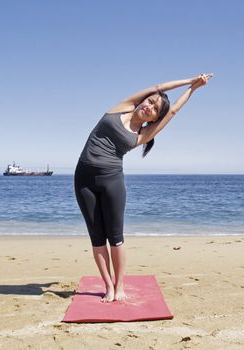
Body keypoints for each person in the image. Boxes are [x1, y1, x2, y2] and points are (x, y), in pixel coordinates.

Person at [74, 73, 212, 302]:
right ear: (143, 100)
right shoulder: (122, 107)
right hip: (83, 179)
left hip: (112, 181)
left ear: (155, 117)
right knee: (97, 238)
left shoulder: (144, 134)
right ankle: (108, 286)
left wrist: (193, 90)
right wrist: (189, 80)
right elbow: (158, 86)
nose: (149, 107)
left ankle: (119, 287)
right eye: (150, 101)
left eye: (155, 109)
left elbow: (174, 111)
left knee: (115, 237)